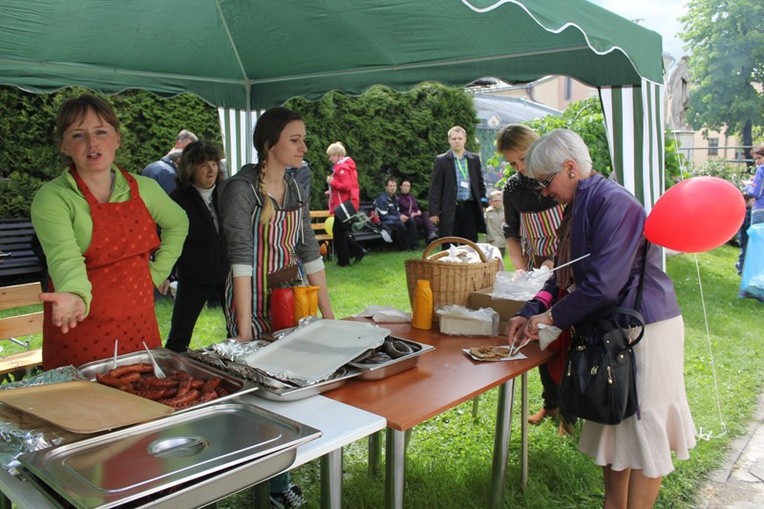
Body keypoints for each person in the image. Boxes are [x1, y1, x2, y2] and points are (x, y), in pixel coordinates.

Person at [506, 129, 696, 508]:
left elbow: (602, 286)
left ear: (571, 168)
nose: (544, 192)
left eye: (546, 182)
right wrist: (529, 310)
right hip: (613, 331)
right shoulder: (578, 205)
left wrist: (550, 318)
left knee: (645, 433)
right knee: (616, 428)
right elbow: (563, 274)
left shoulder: (616, 204)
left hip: (645, 330)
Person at [220, 107, 334, 508]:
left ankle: (276, 477)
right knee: (261, 394)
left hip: (289, 296)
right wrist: (245, 329)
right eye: (295, 139)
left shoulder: (297, 187)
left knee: (289, 385)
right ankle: (263, 482)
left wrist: (328, 315)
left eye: (304, 138)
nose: (305, 146)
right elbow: (240, 258)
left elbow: (308, 252)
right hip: (248, 296)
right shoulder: (241, 190)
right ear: (270, 144)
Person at [30, 93, 188, 369]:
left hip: (139, 323)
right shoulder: (53, 197)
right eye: (78, 135)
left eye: (101, 132)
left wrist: (159, 271)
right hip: (80, 326)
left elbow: (178, 222)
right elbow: (64, 257)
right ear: (64, 145)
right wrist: (75, 295)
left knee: (145, 397)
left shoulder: (145, 188)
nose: (92, 143)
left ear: (116, 138)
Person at [496, 124, 571, 433]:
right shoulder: (513, 190)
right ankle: (551, 404)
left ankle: (569, 413)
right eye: (513, 163)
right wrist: (523, 269)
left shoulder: (558, 179)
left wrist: (558, 261)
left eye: (523, 158)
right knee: (537, 335)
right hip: (536, 268)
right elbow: (512, 234)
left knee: (565, 338)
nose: (521, 168)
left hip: (568, 264)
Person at [165, 141, 228, 353]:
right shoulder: (177, 199)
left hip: (228, 272)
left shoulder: (226, 193)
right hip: (194, 274)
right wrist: (165, 273)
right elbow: (167, 239)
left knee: (240, 328)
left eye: (214, 163)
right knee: (179, 337)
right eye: (204, 164)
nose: (211, 169)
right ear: (190, 168)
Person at [428, 125, 486, 243]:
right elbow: (435, 188)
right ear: (449, 140)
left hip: (470, 208)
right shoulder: (442, 160)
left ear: (465, 139)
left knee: (470, 244)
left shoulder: (473, 159)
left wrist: (484, 203)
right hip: (450, 208)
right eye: (454, 139)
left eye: (460, 138)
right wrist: (434, 212)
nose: (457, 141)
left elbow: (480, 183)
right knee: (450, 244)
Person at [326, 142, 366, 266]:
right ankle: (355, 252)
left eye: (331, 156)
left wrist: (332, 183)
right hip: (346, 204)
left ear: (337, 155)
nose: (329, 159)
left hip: (343, 205)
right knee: (340, 232)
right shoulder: (346, 166)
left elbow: (347, 186)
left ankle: (345, 260)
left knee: (338, 232)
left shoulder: (342, 168)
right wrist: (331, 191)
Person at [374, 177, 418, 250]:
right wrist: (398, 218)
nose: (392, 188)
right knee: (400, 224)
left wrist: (401, 216)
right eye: (390, 186)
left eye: (394, 186)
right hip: (383, 222)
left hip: (392, 219)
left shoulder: (395, 198)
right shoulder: (382, 199)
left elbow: (396, 212)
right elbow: (383, 216)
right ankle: (404, 247)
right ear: (386, 187)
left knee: (410, 220)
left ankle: (414, 245)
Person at [483, 190, 505, 255]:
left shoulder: (506, 212)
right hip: (491, 241)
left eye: (499, 201)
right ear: (490, 202)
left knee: (501, 260)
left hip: (502, 242)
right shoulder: (487, 212)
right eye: (495, 201)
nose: (497, 202)